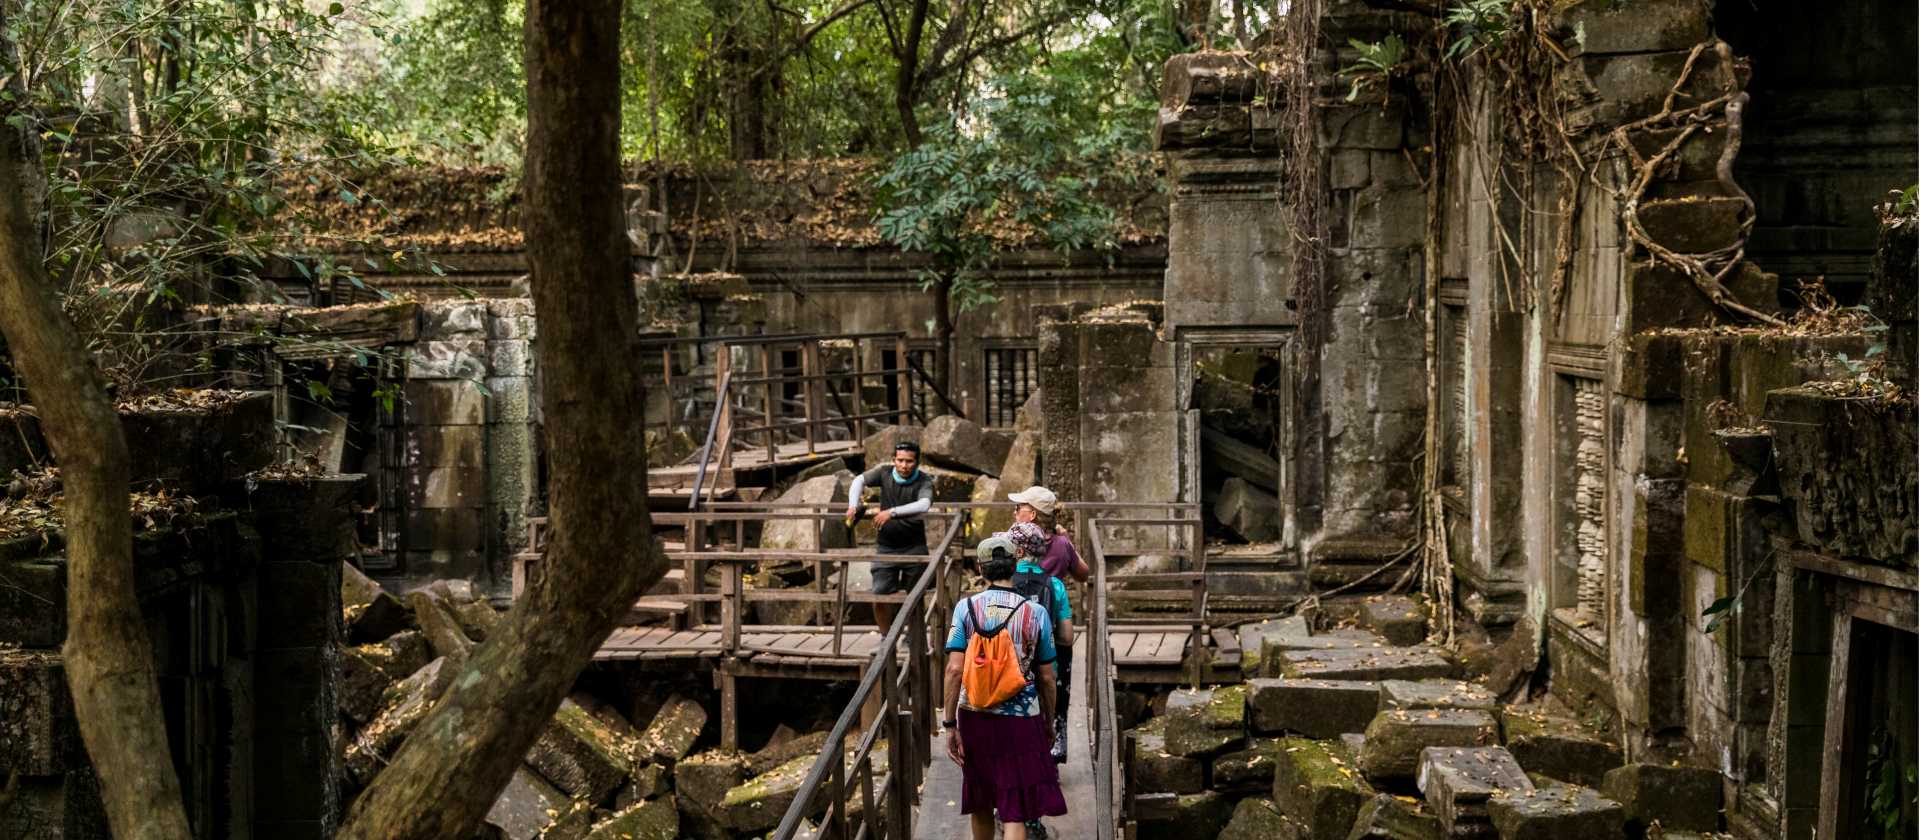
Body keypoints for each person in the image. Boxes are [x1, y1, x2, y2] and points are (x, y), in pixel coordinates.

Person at [943, 536, 1067, 840]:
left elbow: (954, 669)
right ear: (1014, 565)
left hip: (975, 714)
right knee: (1015, 807)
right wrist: (1048, 722)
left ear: (981, 568)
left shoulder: (965, 608)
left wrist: (949, 724)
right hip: (1021, 718)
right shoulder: (1034, 613)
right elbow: (1048, 677)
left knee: (981, 800)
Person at [1007, 486, 1083, 761]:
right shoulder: (1061, 547)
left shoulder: (1011, 552)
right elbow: (1085, 573)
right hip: (1049, 626)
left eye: (1019, 508)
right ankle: (1056, 736)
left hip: (1011, 641)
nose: (1015, 513)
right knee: (1053, 679)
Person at [846, 440, 934, 631]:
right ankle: (886, 637)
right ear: (893, 460)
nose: (904, 465)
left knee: (915, 598)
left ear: (917, 462)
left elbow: (924, 504)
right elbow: (858, 480)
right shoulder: (884, 473)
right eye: (900, 460)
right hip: (886, 546)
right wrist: (853, 505)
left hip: (915, 546)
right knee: (879, 595)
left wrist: (891, 512)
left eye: (909, 461)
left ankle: (914, 637)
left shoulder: (924, 480)